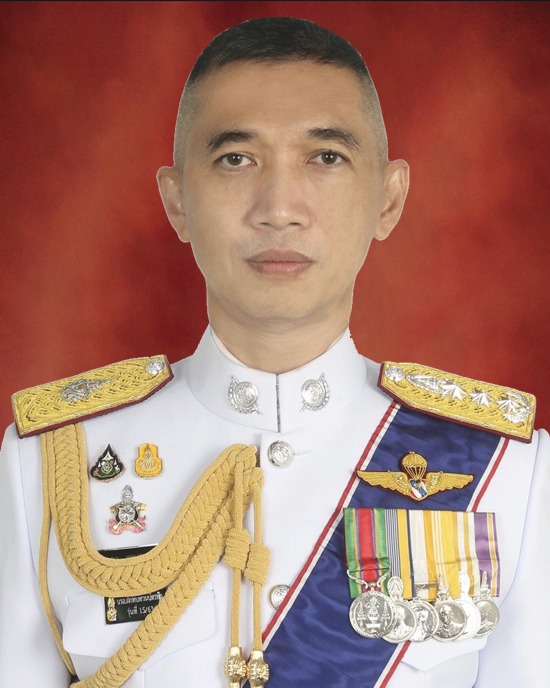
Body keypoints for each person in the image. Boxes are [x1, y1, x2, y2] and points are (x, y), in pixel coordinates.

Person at [0, 16, 548, 688]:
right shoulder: (47, 464)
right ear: (177, 201)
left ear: (388, 198)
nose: (279, 208)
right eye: (236, 158)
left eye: (326, 158)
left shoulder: (509, 472)